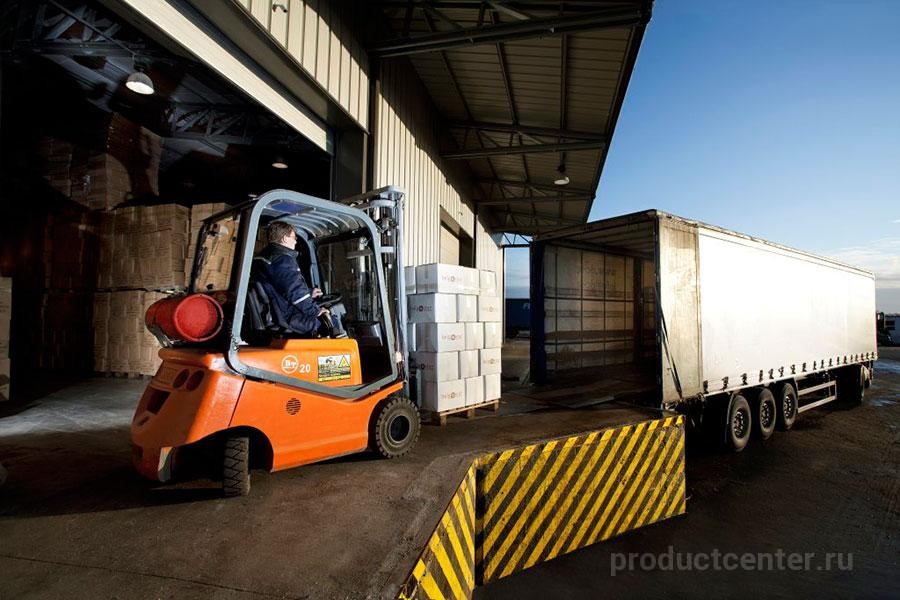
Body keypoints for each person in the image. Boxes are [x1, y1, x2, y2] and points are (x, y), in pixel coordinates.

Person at [252, 221, 328, 336]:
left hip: (277, 310)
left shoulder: (264, 257)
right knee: (329, 322)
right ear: (284, 238)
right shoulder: (282, 260)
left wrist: (309, 292)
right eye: (294, 237)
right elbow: (294, 290)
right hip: (288, 316)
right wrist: (315, 311)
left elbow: (281, 287)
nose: (296, 241)